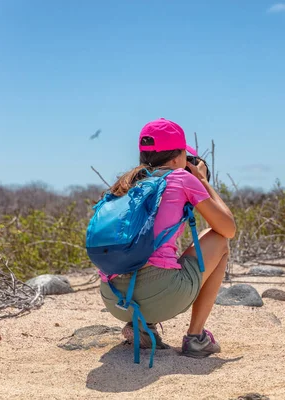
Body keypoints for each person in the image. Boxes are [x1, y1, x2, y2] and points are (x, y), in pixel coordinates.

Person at [97, 118, 236, 358]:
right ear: (176, 158)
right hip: (159, 297)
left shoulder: (127, 182)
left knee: (155, 253)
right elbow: (228, 228)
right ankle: (196, 338)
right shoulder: (183, 179)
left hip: (114, 299)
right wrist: (202, 180)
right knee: (218, 241)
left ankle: (141, 326)